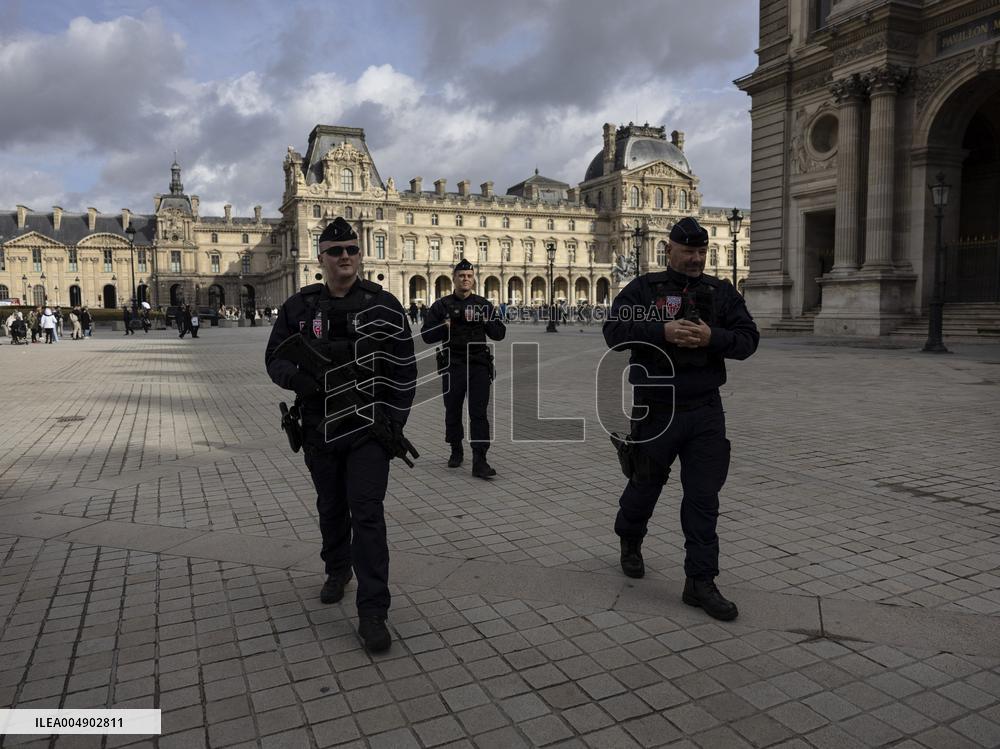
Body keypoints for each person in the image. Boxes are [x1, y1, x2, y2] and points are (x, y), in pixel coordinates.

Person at [265, 217, 416, 653]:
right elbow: (275, 359)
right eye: (336, 251)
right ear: (321, 258)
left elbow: (405, 369)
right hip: (318, 425)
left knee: (366, 513)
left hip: (368, 426)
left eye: (351, 249)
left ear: (360, 254)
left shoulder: (384, 305)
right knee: (330, 506)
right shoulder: (300, 306)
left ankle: (373, 611)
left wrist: (394, 422)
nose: (345, 256)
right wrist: (301, 382)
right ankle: (337, 567)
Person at [603, 216, 759, 622]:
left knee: (704, 498)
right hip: (656, 406)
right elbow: (614, 331)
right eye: (688, 251)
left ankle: (700, 582)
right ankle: (630, 538)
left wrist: (713, 338)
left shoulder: (720, 293)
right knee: (644, 484)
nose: (695, 258)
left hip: (705, 408)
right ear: (669, 249)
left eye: (701, 252)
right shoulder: (644, 289)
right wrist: (662, 332)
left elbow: (748, 339)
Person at [421, 258, 506, 478]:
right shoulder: (441, 305)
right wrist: (443, 327)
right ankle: (456, 450)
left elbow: (500, 333)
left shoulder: (483, 304)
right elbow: (426, 335)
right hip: (453, 365)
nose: (465, 279)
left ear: (473, 279)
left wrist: (486, 321)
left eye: (469, 276)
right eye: (461, 276)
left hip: (478, 365)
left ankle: (480, 459)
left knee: (479, 413)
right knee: (453, 410)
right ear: (454, 279)